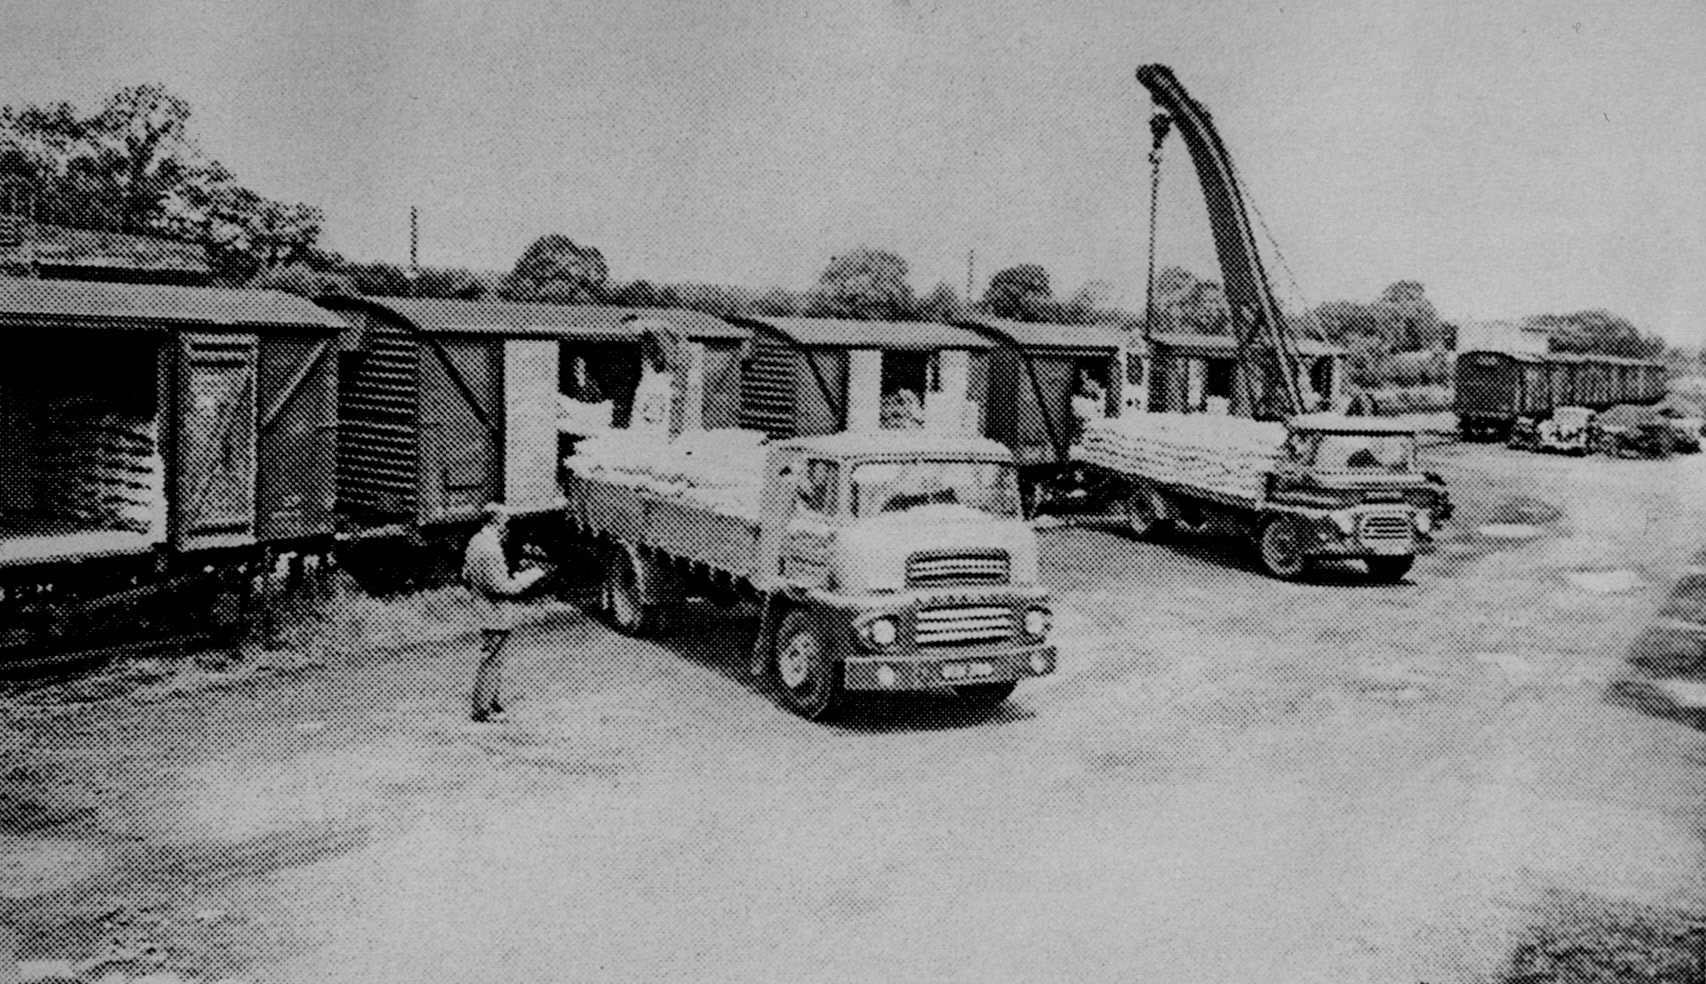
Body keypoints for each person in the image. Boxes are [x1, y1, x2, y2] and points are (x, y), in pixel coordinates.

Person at [464, 504, 545, 723]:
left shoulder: (475, 541)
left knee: (493, 658)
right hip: (495, 613)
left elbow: (466, 574)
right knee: (492, 660)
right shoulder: (490, 548)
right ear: (496, 521)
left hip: (484, 609)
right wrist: (530, 576)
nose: (506, 526)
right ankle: (483, 709)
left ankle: (491, 702)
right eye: (504, 521)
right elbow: (503, 587)